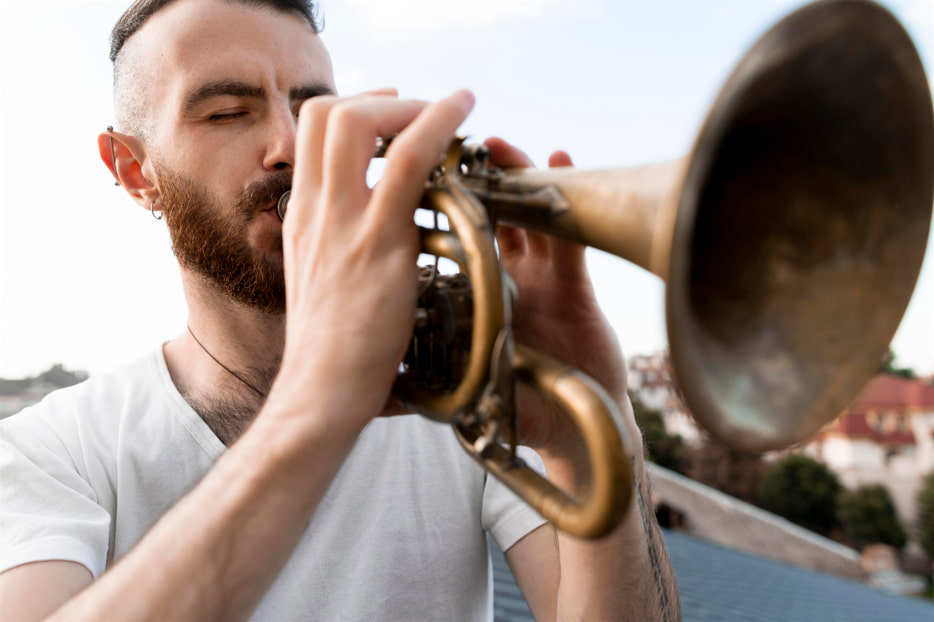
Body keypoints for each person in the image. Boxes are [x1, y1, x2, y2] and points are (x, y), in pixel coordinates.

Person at [0, 0, 680, 619]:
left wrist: (593, 434)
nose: (290, 146)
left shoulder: (459, 396)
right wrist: (318, 402)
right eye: (226, 113)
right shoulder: (52, 452)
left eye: (314, 110)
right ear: (133, 171)